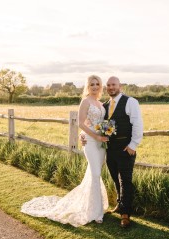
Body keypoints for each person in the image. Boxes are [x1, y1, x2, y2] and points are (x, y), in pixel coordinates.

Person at [21, 75, 109, 227]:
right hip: (90, 142)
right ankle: (96, 212)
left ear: (101, 86)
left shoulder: (100, 104)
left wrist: (105, 134)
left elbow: (100, 123)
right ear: (88, 86)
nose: (95, 87)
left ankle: (91, 205)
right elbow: (81, 123)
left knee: (94, 174)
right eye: (92, 84)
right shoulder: (85, 101)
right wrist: (93, 136)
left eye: (97, 84)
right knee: (95, 174)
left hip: (101, 144)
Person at [81, 76, 143, 228]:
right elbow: (94, 123)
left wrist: (133, 145)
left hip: (125, 148)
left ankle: (125, 214)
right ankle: (119, 205)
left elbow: (138, 124)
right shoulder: (105, 105)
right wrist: (84, 136)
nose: (111, 87)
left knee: (125, 181)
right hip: (109, 149)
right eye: (108, 85)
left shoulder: (130, 102)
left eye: (113, 84)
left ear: (119, 86)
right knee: (115, 178)